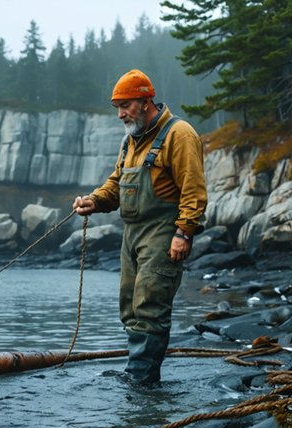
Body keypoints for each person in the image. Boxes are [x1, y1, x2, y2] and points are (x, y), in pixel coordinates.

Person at [72, 69, 207, 385]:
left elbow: (194, 189)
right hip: (131, 235)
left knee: (149, 306)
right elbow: (117, 184)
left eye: (126, 105)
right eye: (117, 107)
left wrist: (184, 233)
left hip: (163, 234)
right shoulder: (129, 141)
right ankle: (141, 376)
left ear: (146, 101)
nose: (120, 114)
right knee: (130, 308)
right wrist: (95, 200)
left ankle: (141, 383)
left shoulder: (180, 134)